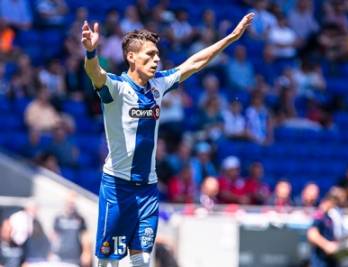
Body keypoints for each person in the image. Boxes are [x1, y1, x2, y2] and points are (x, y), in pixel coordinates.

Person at [81, 12, 254, 267]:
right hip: (118, 187)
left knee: (141, 261)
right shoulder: (116, 88)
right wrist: (91, 52)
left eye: (157, 54)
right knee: (109, 262)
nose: (156, 59)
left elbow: (194, 63)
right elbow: (94, 73)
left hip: (148, 188)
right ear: (131, 57)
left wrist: (230, 38)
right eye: (149, 55)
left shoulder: (159, 84)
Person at [307, 193, 340, 267]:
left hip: (329, 260)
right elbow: (312, 234)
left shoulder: (329, 218)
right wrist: (326, 245)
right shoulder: (319, 215)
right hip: (320, 260)